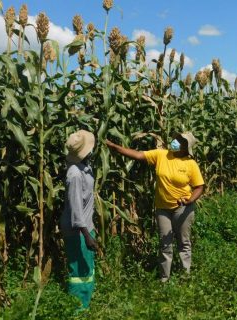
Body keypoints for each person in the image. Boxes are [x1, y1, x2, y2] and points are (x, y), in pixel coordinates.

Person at [106, 132, 204, 282]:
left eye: (180, 141)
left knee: (183, 242)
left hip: (183, 209)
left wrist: (189, 200)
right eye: (176, 138)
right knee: (165, 244)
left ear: (186, 148)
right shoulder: (161, 155)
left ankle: (185, 276)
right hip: (162, 209)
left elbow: (199, 187)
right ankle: (165, 279)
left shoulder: (190, 164)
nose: (175, 142)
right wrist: (114, 147)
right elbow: (138, 155)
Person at [60, 130, 98, 310]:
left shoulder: (85, 166)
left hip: (85, 227)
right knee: (79, 271)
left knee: (86, 268)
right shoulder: (74, 174)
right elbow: (76, 207)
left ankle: (85, 304)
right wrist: (86, 235)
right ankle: (78, 310)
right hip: (77, 230)